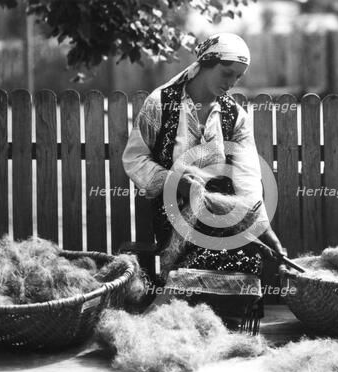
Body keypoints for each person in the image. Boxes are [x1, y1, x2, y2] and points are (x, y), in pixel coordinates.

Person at [122, 33, 285, 286]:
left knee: (246, 255)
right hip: (175, 212)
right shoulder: (161, 104)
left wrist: (265, 230)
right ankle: (192, 305)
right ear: (205, 64)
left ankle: (223, 312)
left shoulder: (235, 116)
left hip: (224, 213)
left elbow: (248, 178)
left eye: (238, 77)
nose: (232, 83)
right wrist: (175, 182)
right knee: (209, 256)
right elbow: (135, 159)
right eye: (226, 73)